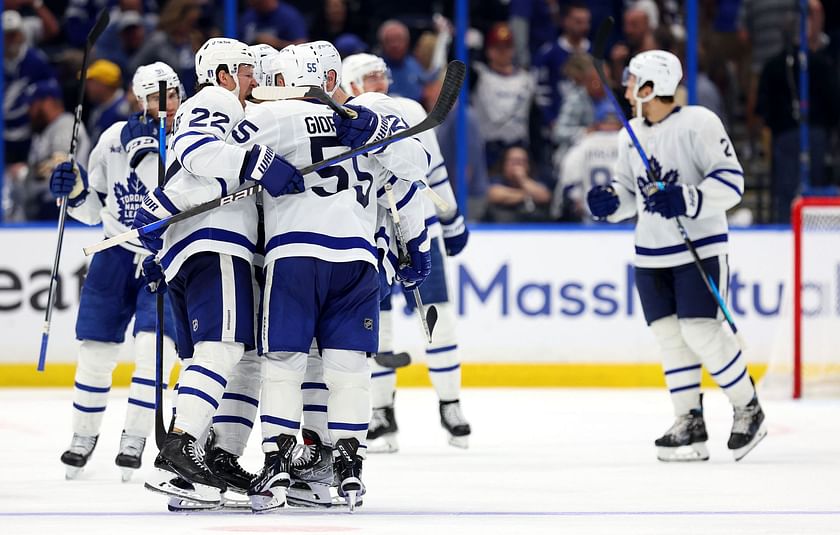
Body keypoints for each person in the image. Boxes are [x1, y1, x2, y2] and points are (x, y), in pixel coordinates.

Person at [233, 45, 430, 511]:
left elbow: (214, 149)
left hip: (294, 254)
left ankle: (278, 460)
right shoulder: (372, 116)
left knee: (284, 362)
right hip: (357, 259)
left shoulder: (275, 116)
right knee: (347, 369)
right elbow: (412, 176)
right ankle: (347, 466)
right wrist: (415, 244)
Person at [137, 37, 304, 506]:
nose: (252, 81)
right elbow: (195, 150)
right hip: (216, 243)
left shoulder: (240, 115)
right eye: (246, 72)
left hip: (205, 246)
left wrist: (162, 206)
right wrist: (258, 161)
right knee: (224, 347)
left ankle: (213, 461)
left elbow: (190, 178)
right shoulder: (214, 98)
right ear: (224, 73)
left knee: (234, 358)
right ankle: (181, 442)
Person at [586, 50, 767, 462]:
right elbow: (628, 196)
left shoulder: (700, 123)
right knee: (670, 337)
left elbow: (732, 183)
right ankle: (689, 421)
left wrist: (687, 198)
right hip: (650, 253)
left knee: (701, 332)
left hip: (697, 248)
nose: (627, 87)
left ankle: (748, 408)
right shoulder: (627, 134)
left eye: (634, 80)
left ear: (651, 86)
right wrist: (609, 203)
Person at [52, 62, 181, 482]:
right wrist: (73, 192)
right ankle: (82, 437)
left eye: (173, 95)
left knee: (153, 353)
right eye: (157, 98)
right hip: (112, 254)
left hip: (163, 258)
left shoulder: (190, 137)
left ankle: (135, 438)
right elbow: (94, 210)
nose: (167, 105)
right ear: (137, 99)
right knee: (95, 351)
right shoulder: (110, 139)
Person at [341, 53, 472, 453]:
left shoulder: (410, 110)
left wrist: (451, 221)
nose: (379, 81)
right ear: (350, 85)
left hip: (420, 231)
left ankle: (451, 405)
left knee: (440, 321)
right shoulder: (344, 120)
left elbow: (434, 172)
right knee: (378, 327)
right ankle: (383, 413)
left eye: (382, 74)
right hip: (373, 239)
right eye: (368, 76)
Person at [11, 79, 91, 221]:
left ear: (48, 102)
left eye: (33, 105)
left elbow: (60, 163)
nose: (29, 110)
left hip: (65, 205)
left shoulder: (65, 124)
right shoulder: (45, 130)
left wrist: (25, 172)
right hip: (48, 204)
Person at [472, 22, 536, 168]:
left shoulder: (527, 80)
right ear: (488, 50)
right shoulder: (479, 75)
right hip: (488, 149)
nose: (502, 52)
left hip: (518, 149)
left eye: (506, 47)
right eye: (497, 47)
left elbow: (534, 120)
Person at [551, 101, 621, 221]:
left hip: (591, 212)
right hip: (624, 212)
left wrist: (576, 197)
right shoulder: (627, 142)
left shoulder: (585, 142)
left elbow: (569, 175)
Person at [3, 10, 54, 165]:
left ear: (21, 34)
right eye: (6, 35)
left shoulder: (36, 61)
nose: (11, 39)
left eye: (14, 34)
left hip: (30, 132)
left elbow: (51, 93)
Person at [485, 146, 552, 222]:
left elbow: (544, 196)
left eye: (522, 161)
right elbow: (494, 194)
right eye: (514, 161)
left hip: (532, 228)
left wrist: (522, 179)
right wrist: (528, 195)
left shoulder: (535, 179)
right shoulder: (496, 179)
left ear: (528, 165)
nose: (517, 166)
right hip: (502, 228)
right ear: (504, 164)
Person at [377, 20, 427, 103]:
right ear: (382, 44)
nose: (395, 45)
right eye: (390, 41)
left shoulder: (414, 64)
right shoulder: (375, 69)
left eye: (398, 40)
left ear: (407, 42)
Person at [85, 59, 130, 145]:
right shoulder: (99, 107)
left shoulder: (122, 111)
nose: (87, 87)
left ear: (103, 83)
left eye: (91, 82)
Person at [239, 0, 308, 50]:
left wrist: (275, 43)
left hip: (281, 61)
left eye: (259, 3)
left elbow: (302, 46)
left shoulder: (288, 16)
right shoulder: (249, 16)